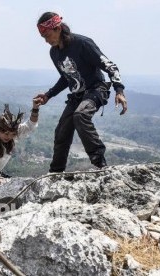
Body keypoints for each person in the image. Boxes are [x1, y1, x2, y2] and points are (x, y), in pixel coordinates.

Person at [33, 12, 128, 173]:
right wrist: (49, 95)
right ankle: (56, 172)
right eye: (43, 38)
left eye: (48, 36)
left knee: (81, 115)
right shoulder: (54, 52)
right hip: (77, 95)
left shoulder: (83, 44)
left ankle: (100, 164)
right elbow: (66, 78)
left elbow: (111, 66)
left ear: (58, 28)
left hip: (96, 89)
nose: (47, 41)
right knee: (62, 130)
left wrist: (119, 90)